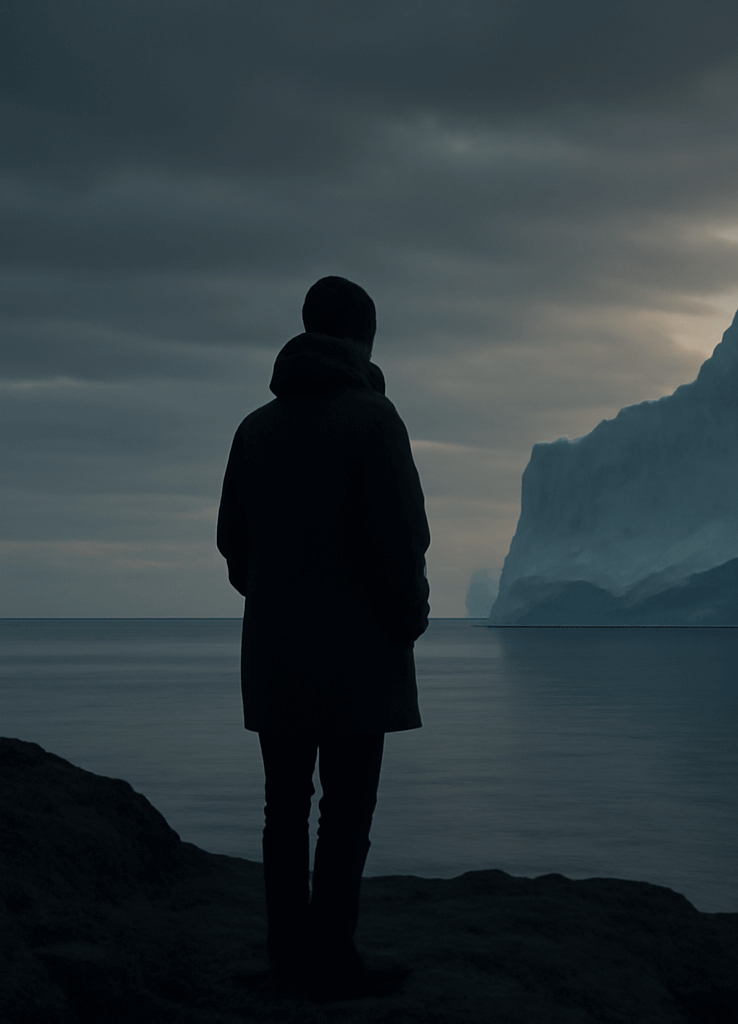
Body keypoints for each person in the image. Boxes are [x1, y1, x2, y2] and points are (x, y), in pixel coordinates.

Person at [217, 276, 430, 999]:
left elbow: (232, 546)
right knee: (345, 807)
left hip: (273, 653)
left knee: (284, 806)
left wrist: (280, 599)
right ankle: (334, 952)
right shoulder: (374, 420)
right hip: (358, 653)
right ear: (364, 337)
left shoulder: (254, 427)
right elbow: (402, 538)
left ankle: (286, 952)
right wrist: (408, 617)